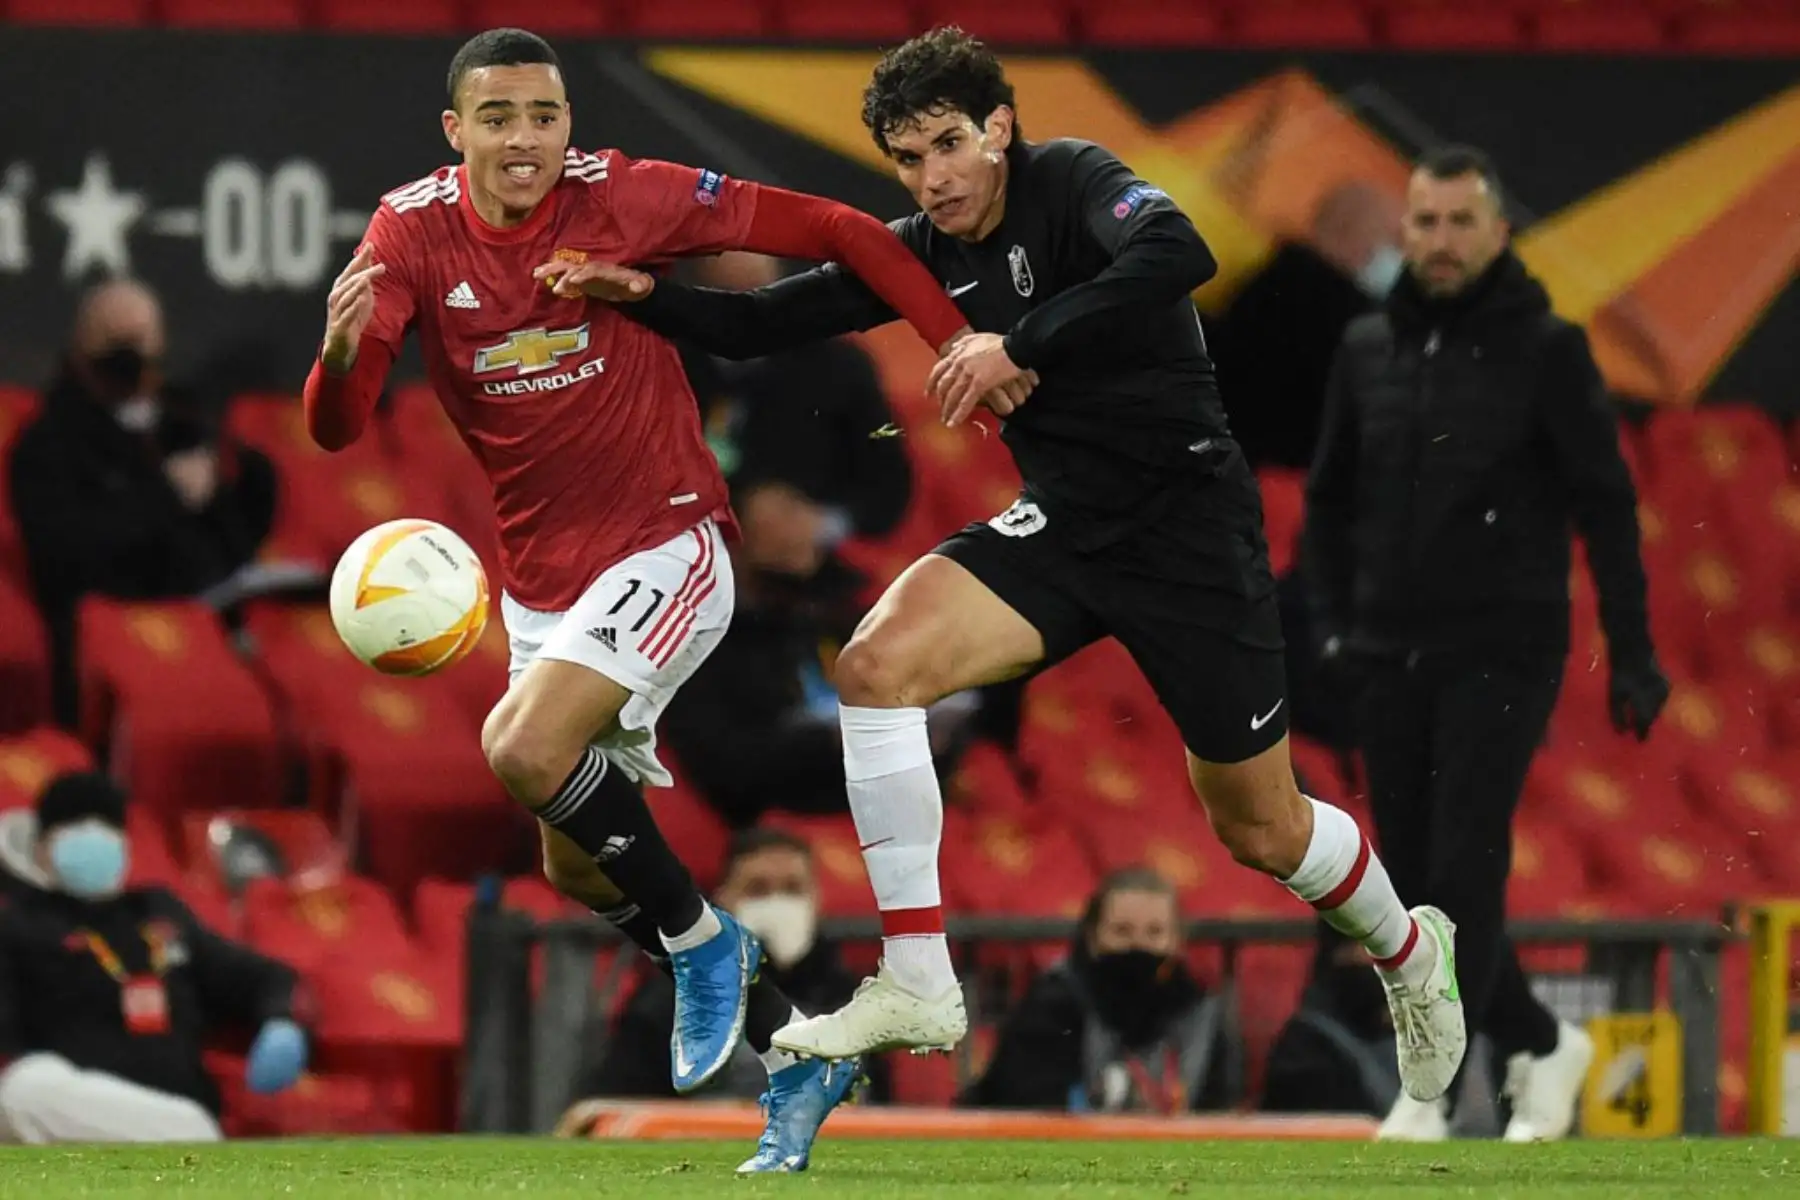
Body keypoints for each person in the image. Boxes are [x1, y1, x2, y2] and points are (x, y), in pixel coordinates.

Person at [576, 26, 1463, 1104]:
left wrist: (1020, 342)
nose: (934, 178)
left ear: (999, 126)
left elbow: (1178, 254)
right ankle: (918, 979)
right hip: (1066, 526)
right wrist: (640, 297)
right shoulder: (921, 247)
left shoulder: (1075, 179)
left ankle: (1410, 952)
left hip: (1188, 533)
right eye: (910, 159)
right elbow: (763, 322)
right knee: (874, 667)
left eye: (950, 144)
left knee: (1261, 827)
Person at [299, 27, 970, 1172]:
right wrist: (341, 354)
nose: (525, 139)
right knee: (576, 863)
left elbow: (837, 228)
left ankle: (708, 950)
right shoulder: (408, 230)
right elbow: (337, 427)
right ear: (456, 131)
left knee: (522, 748)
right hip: (544, 584)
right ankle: (794, 1054)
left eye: (544, 115)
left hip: (669, 540)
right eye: (498, 117)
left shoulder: (623, 195)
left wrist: (957, 338)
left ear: (569, 124)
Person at [1302, 145, 1669, 1142]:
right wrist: (1326, 629)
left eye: (1461, 221)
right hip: (1386, 650)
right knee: (1410, 885)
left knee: (1462, 874)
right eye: (1425, 221)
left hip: (1503, 648)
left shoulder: (1548, 349)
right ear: (1404, 231)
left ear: (1500, 232)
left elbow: (1606, 504)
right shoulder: (1365, 347)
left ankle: (1431, 1092)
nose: (1442, 240)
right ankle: (1541, 1042)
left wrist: (1633, 650)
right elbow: (1327, 501)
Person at [9, 279, 277, 725]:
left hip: (205, 620)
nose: (132, 361)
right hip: (111, 631)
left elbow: (237, 534)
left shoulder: (182, 422)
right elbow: (68, 554)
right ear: (83, 348)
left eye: (142, 343)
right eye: (118, 344)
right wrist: (167, 494)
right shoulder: (49, 443)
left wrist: (239, 477)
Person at [0, 773, 307, 1143]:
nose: (93, 836)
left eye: (106, 826)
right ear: (40, 848)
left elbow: (263, 977)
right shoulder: (19, 926)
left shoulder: (159, 912)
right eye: (75, 827)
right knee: (23, 1088)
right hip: (67, 1119)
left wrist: (281, 1021)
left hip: (178, 1114)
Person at [569, 829, 882, 1113]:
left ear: (817, 898)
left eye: (792, 888)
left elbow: (883, 1109)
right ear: (724, 900)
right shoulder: (672, 997)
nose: (778, 902)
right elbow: (613, 1107)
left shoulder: (853, 998)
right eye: (758, 889)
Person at [962, 868, 1229, 1114]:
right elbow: (1029, 1111)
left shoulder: (1201, 1016)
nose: (1139, 945)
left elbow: (1219, 1112)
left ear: (1178, 941)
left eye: (1155, 932)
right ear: (1092, 936)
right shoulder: (1052, 1005)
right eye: (1122, 931)